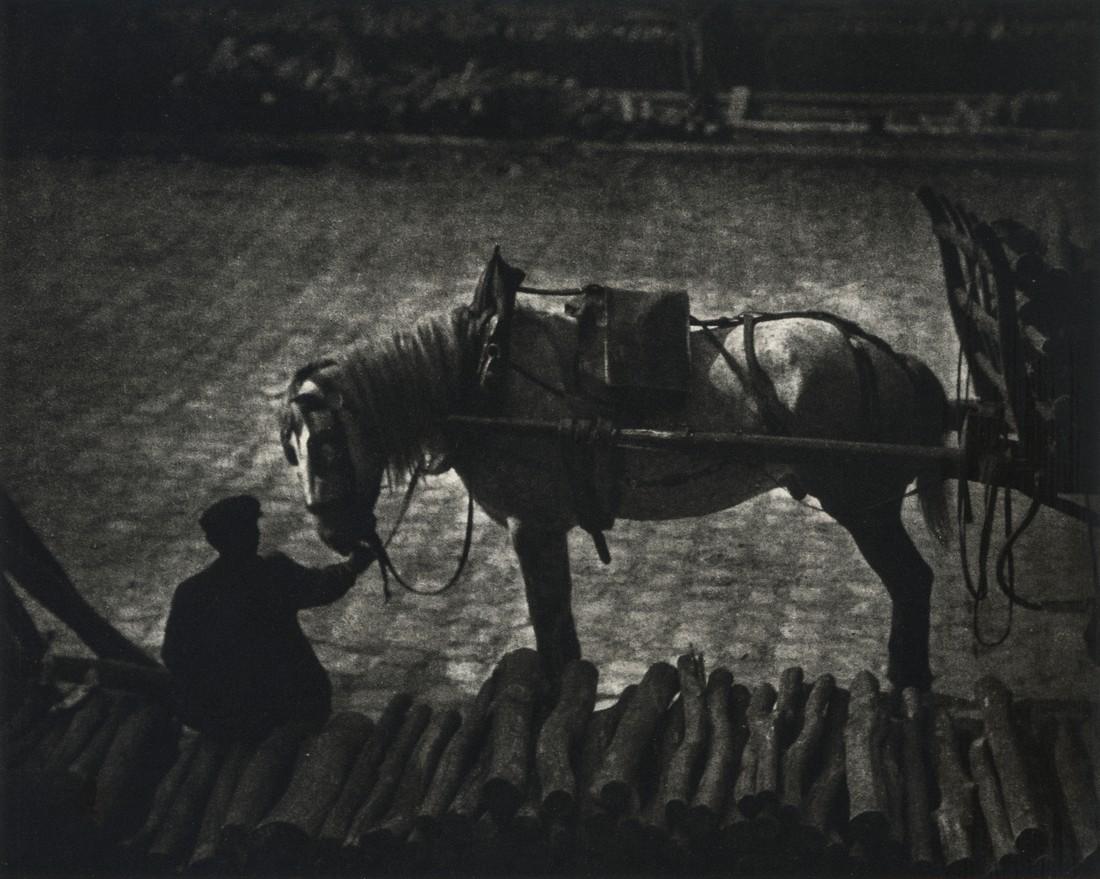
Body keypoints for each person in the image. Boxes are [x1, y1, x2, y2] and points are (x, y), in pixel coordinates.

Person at [161, 494, 373, 741]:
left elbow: (173, 656)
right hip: (290, 706)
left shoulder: (190, 592)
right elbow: (322, 586)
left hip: (225, 716)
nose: (256, 534)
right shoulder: (273, 572)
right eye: (250, 529)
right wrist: (352, 566)